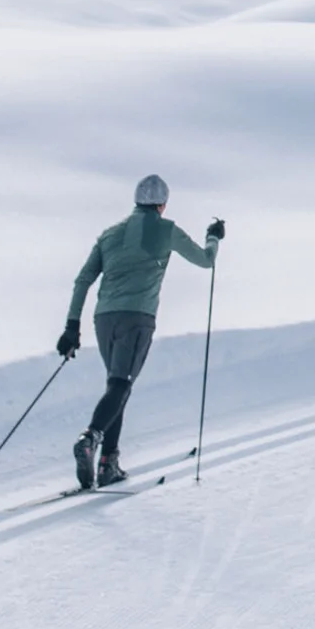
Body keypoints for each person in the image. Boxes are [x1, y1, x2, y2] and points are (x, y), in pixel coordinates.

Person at [59, 174, 223, 488]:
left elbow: (83, 280)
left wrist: (71, 327)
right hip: (137, 317)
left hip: (103, 318)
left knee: (116, 386)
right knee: (121, 384)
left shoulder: (109, 235)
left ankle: (109, 464)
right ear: (162, 205)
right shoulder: (166, 229)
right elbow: (205, 261)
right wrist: (213, 237)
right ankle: (90, 438)